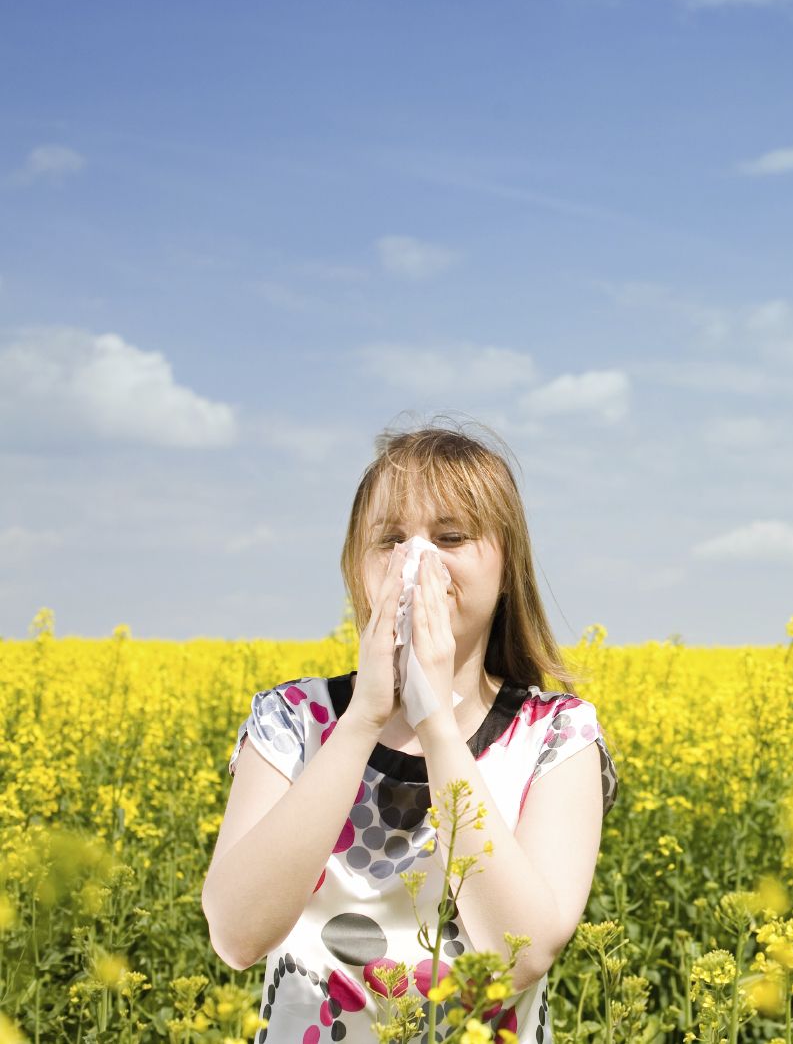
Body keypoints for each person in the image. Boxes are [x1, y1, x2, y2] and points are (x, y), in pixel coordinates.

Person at [202, 421, 619, 1044]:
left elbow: (520, 956)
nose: (417, 560)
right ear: (356, 566)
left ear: (508, 568)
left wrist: (435, 721)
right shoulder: (291, 720)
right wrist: (364, 718)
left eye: (451, 537)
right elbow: (236, 936)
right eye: (390, 540)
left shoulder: (556, 735)